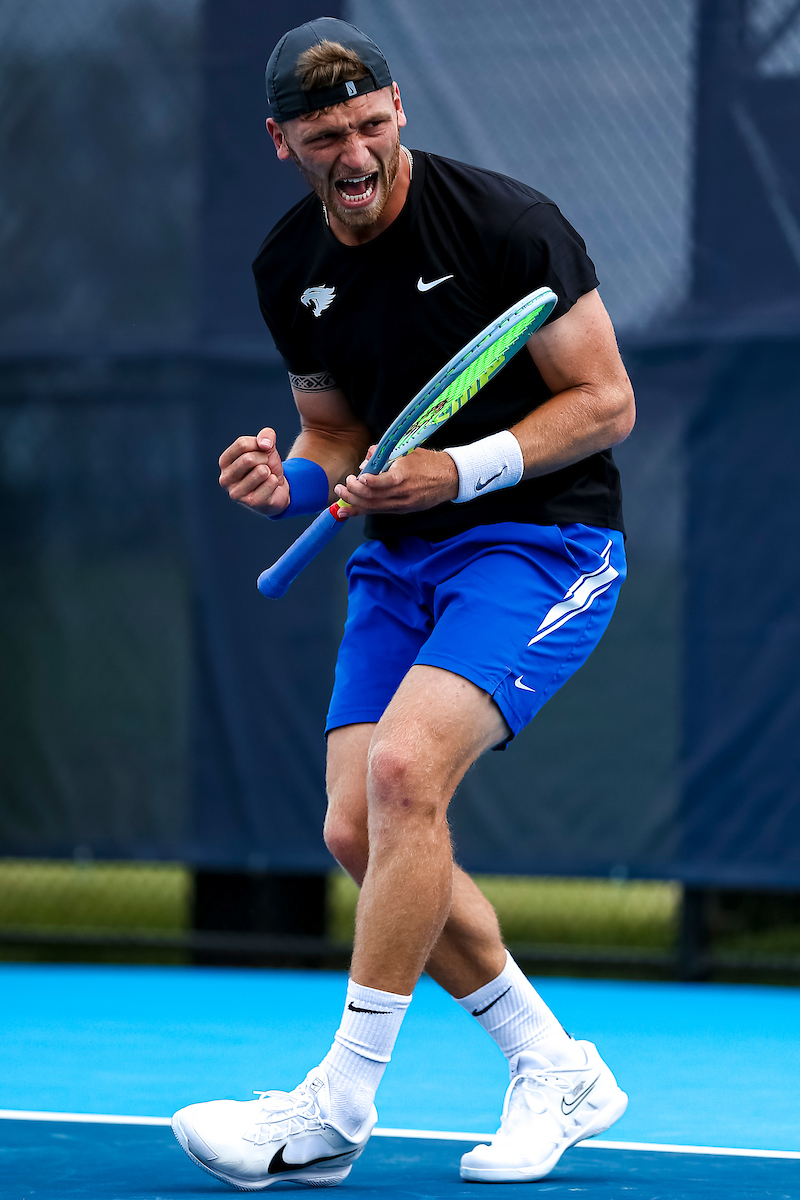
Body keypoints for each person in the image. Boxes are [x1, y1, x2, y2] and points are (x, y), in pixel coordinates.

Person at [172, 16, 636, 1191]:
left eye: (371, 125)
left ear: (399, 113)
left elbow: (604, 401)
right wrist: (286, 484)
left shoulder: (509, 225)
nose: (356, 153)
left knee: (400, 774)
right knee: (355, 830)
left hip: (543, 544)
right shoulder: (288, 266)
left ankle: (335, 1107)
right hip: (400, 562)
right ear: (282, 142)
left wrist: (457, 471)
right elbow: (331, 433)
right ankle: (551, 1064)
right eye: (327, 136)